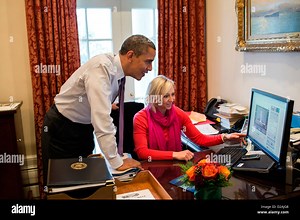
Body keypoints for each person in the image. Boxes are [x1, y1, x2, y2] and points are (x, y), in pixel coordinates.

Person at [42, 34, 156, 183]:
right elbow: (102, 118)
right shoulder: (101, 67)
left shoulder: (117, 72)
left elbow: (96, 97)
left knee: (85, 182)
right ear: (130, 55)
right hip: (62, 129)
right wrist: (117, 162)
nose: (150, 68)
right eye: (148, 61)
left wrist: (106, 103)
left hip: (83, 129)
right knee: (62, 185)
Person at [133, 75, 246, 161]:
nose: (172, 100)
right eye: (166, 96)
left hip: (173, 164)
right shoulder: (140, 118)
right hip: (152, 166)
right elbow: (142, 152)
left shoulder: (177, 113)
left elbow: (200, 139)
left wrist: (225, 137)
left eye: (172, 94)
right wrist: (175, 154)